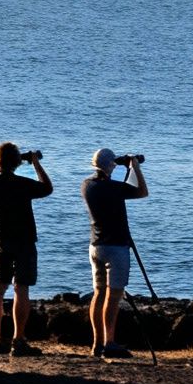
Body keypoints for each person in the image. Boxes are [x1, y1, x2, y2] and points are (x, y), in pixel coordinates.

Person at [0, 141, 52, 357]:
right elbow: (47, 187)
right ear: (16, 162)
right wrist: (35, 163)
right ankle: (18, 340)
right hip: (23, 241)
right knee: (21, 288)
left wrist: (20, 160)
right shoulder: (21, 184)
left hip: (0, 240)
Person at [81, 147, 147, 360]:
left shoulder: (87, 185)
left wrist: (125, 167)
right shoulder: (114, 188)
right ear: (111, 166)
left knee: (99, 294)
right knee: (114, 295)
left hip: (96, 246)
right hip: (116, 248)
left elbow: (122, 188)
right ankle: (110, 342)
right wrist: (134, 165)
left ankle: (96, 343)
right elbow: (141, 191)